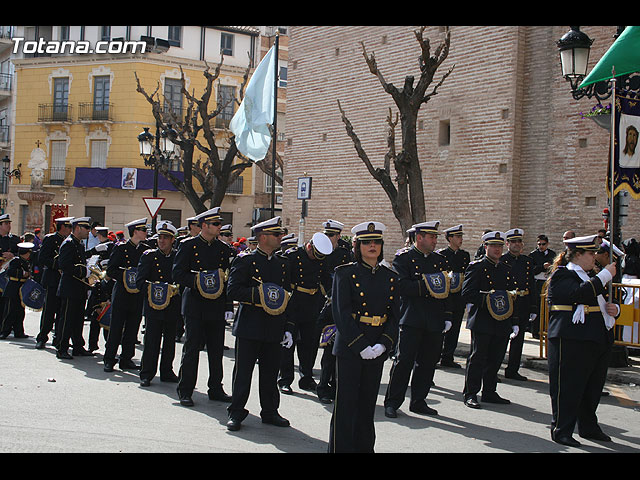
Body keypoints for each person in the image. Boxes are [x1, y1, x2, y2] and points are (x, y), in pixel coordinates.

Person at [328, 221, 400, 453]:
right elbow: (341, 312)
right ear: (357, 246)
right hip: (351, 346)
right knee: (346, 404)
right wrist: (360, 345)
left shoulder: (390, 276)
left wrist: (384, 344)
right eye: (367, 242)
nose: (372, 246)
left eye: (376, 242)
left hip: (377, 344)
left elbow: (394, 315)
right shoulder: (345, 273)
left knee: (368, 404)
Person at [546, 234, 619, 447]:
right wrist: (604, 275)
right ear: (577, 255)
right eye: (590, 253)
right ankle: (562, 429)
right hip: (571, 339)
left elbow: (599, 302)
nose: (594, 257)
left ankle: (588, 426)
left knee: (592, 387)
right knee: (568, 387)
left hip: (596, 337)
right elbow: (577, 295)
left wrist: (615, 309)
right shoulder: (563, 275)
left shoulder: (590, 276)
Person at [226, 216, 293, 431]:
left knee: (270, 372)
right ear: (263, 237)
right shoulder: (245, 260)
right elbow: (233, 290)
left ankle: (270, 411)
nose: (280, 237)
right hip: (250, 324)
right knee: (243, 372)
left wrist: (288, 327)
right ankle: (236, 412)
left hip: (274, 325)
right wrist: (261, 294)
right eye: (276, 234)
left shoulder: (283, 264)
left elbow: (288, 296)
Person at [383, 220, 453, 418]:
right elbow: (401, 286)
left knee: (428, 362)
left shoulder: (439, 260)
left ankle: (419, 401)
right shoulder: (403, 259)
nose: (434, 241)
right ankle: (392, 402)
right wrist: (429, 286)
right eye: (431, 237)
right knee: (403, 361)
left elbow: (446, 289)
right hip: (411, 318)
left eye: (435, 237)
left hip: (434, 319)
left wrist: (447, 316)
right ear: (419, 237)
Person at [172, 207, 232, 407]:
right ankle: (185, 389)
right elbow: (178, 274)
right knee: (192, 349)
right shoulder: (188, 245)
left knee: (216, 350)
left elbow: (226, 279)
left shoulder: (223, 249)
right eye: (215, 224)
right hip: (195, 303)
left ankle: (216, 388)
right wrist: (199, 280)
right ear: (204, 225)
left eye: (219, 224)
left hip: (215, 305)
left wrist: (227, 305)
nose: (219, 227)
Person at [462, 230, 519, 408]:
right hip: (483, 319)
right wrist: (489, 299)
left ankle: (489, 391)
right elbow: (467, 293)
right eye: (493, 246)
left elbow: (512, 296)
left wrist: (514, 321)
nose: (497, 249)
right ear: (485, 247)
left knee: (496, 357)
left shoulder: (506, 269)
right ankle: (470, 393)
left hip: (502, 320)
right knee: (478, 358)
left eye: (500, 246)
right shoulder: (477, 267)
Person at [279, 231, 333, 394]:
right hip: (294, 301)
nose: (316, 259)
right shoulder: (293, 256)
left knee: (309, 344)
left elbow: (326, 279)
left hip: (313, 303)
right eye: (314, 254)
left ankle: (307, 378)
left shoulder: (322, 259)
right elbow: (284, 280)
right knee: (288, 342)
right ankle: (285, 379)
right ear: (309, 246)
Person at [137, 221, 180, 387]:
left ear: (172, 240)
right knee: (151, 340)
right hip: (153, 304)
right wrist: (156, 288)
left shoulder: (177, 257)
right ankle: (146, 373)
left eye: (166, 238)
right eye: (160, 237)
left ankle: (167, 371)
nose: (162, 241)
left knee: (169, 341)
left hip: (172, 305)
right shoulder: (149, 256)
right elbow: (139, 282)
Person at [103, 218, 149, 372]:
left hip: (137, 294)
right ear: (135, 231)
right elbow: (111, 270)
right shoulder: (121, 248)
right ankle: (109, 359)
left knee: (132, 327)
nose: (146, 233)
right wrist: (126, 274)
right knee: (116, 327)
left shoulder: (145, 250)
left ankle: (126, 359)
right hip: (122, 292)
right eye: (143, 230)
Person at [316, 219, 352, 404]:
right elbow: (319, 276)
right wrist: (327, 293)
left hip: (342, 304)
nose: (328, 238)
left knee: (341, 352)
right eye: (326, 234)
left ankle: (337, 388)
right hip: (327, 305)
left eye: (331, 235)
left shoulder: (346, 254)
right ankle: (322, 387)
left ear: (338, 236)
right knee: (328, 351)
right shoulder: (320, 251)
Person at [500, 228, 537, 381]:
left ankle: (513, 369)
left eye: (519, 241)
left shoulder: (527, 261)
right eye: (513, 242)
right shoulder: (502, 260)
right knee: (501, 338)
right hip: (507, 303)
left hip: (522, 303)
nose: (517, 244)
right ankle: (493, 369)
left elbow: (531, 285)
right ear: (507, 244)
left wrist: (533, 306)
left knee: (518, 339)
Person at [56, 217, 93, 360]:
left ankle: (78, 346)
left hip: (79, 287)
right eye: (86, 228)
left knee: (78, 319)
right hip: (70, 287)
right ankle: (62, 347)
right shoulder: (68, 244)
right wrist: (84, 272)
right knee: (67, 319)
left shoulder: (79, 244)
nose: (88, 231)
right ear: (78, 228)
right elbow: (64, 265)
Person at [34, 216, 73, 349]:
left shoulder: (69, 241)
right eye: (69, 227)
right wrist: (59, 265)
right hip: (52, 279)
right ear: (62, 227)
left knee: (62, 311)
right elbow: (43, 258)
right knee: (49, 310)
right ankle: (42, 337)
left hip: (64, 280)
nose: (70, 230)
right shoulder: (51, 239)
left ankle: (59, 338)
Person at [437, 224, 470, 368]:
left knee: (455, 327)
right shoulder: (441, 255)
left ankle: (448, 356)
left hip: (458, 297)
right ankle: (436, 356)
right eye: (458, 236)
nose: (460, 239)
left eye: (461, 236)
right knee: (441, 328)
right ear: (450, 238)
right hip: (445, 296)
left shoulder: (464, 255)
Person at [0, 242, 34, 339]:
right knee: (10, 311)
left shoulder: (26, 262)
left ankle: (19, 331)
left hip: (21, 289)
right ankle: (4, 331)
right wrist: (23, 273)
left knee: (20, 312)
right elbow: (10, 272)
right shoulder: (16, 261)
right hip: (13, 287)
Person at [530, 234, 556, 339]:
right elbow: (531, 269)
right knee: (537, 306)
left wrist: (549, 266)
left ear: (547, 244)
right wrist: (542, 267)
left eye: (543, 244)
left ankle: (546, 329)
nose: (541, 246)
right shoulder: (533, 255)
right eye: (539, 244)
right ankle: (535, 331)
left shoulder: (552, 254)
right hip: (537, 281)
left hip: (548, 281)